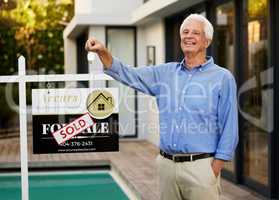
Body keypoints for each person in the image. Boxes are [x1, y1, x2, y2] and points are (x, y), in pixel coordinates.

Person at [85, 13, 238, 200]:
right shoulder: (165, 73)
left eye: (195, 33)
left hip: (202, 169)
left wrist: (214, 169)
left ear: (207, 41)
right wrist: (102, 52)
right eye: (185, 32)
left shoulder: (222, 78)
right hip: (167, 167)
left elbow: (229, 127)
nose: (188, 36)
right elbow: (128, 73)